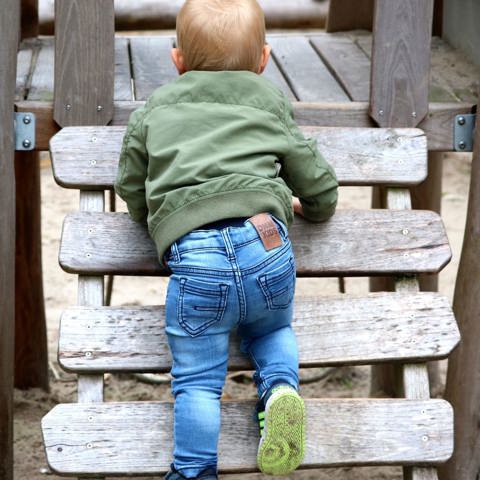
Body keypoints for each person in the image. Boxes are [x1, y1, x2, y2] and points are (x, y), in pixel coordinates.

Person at [115, 0, 338, 478]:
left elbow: (133, 186)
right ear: (264, 59)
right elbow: (316, 181)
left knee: (197, 382)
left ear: (177, 61)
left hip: (196, 259)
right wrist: (313, 207)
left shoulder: (154, 110)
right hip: (266, 246)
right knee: (273, 330)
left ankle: (194, 471)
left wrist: (150, 216)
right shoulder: (272, 102)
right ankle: (279, 391)